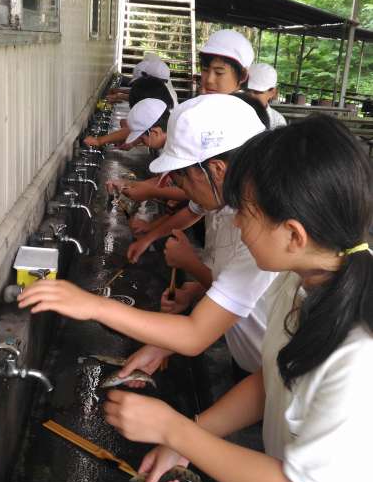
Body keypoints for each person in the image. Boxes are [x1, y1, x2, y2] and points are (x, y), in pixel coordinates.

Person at [102, 115, 373, 482]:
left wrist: (175, 429)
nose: (237, 223)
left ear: (294, 234)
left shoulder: (357, 355)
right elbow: (272, 379)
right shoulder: (302, 283)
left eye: (246, 211)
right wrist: (190, 439)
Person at [18, 93, 275, 380]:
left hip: (267, 369)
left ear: (216, 170)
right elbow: (236, 289)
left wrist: (94, 305)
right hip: (255, 364)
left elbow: (195, 335)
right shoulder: (226, 201)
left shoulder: (261, 232)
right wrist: (186, 306)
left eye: (180, 176)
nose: (179, 187)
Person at [126, 29, 260, 262]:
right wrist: (150, 235)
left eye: (219, 72)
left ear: (242, 76)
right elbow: (195, 205)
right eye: (205, 70)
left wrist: (190, 263)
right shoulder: (202, 111)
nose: (209, 80)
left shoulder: (241, 125)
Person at [84, 76, 174, 149]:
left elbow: (136, 129)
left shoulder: (174, 145)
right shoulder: (163, 110)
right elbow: (144, 128)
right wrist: (119, 95)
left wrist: (99, 141)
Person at [246, 63, 286, 128]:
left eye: (257, 92)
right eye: (246, 90)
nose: (250, 95)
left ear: (272, 92)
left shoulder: (277, 121)